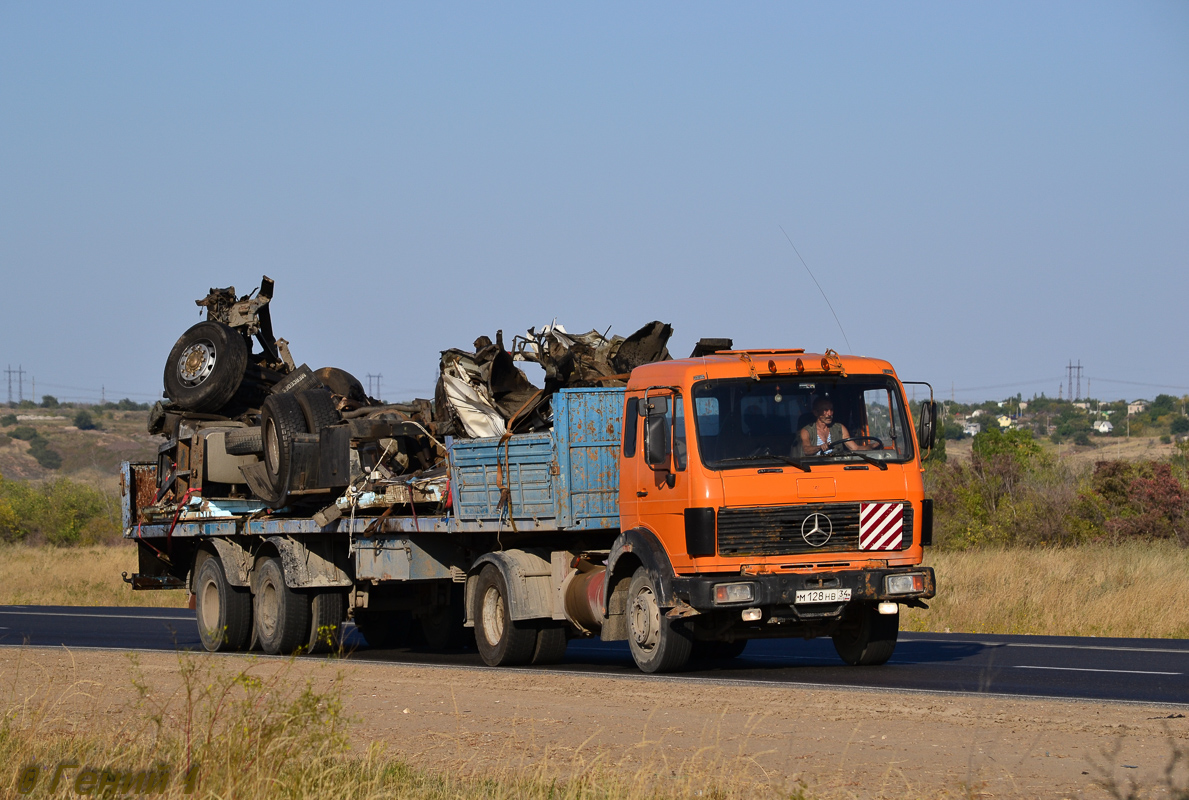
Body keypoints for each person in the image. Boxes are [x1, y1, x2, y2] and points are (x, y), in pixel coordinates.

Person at [800, 396, 867, 456]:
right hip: (815, 467)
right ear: (816, 413)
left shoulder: (840, 428)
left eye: (831, 410)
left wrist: (873, 446)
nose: (830, 414)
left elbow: (855, 448)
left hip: (836, 466)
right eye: (825, 410)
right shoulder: (806, 431)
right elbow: (806, 450)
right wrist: (820, 447)